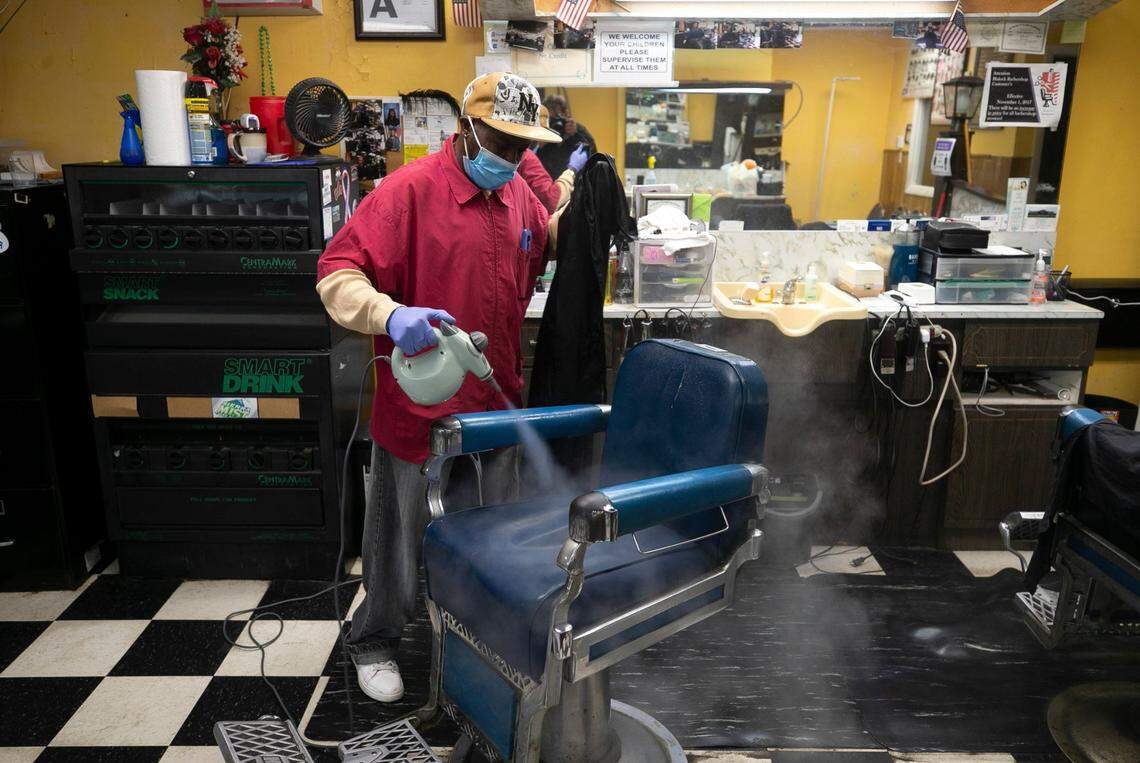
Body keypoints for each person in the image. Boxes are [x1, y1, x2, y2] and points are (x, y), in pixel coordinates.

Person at [315, 72, 563, 703]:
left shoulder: (516, 197)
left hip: (494, 404)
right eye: (499, 143)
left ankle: (477, 640)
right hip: (419, 408)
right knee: (398, 539)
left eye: (520, 148)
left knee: (490, 537)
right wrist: (390, 316)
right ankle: (375, 639)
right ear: (467, 128)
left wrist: (577, 202)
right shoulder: (408, 193)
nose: (507, 158)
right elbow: (337, 274)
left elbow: (542, 242)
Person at [518, 105, 588, 213]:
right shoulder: (525, 156)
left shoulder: (508, 150)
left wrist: (576, 134)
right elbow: (551, 200)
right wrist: (572, 170)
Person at [536, 94, 596, 183]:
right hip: (547, 186)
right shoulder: (540, 133)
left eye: (558, 118)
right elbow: (528, 163)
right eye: (552, 120)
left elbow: (592, 157)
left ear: (566, 114)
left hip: (575, 188)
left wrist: (575, 135)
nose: (556, 124)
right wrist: (539, 144)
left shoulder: (578, 130)